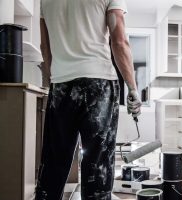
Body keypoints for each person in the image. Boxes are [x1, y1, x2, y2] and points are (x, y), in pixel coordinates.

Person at [35, 0, 142, 199]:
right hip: (98, 84)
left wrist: (53, 83)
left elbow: (45, 47)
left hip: (61, 84)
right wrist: (133, 88)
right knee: (97, 165)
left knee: (54, 162)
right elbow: (119, 41)